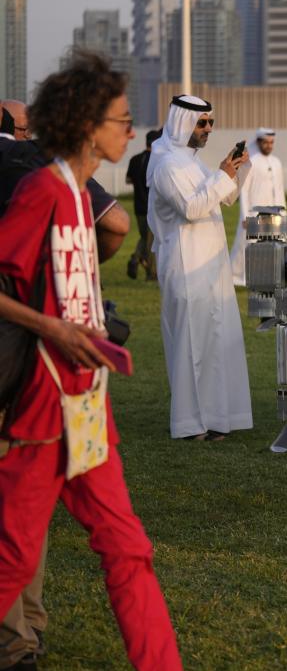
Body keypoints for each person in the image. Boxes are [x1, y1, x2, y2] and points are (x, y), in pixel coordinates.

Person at [0, 51, 203, 671]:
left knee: (128, 550)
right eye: (120, 118)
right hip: (40, 415)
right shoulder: (42, 191)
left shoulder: (78, 195)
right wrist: (52, 328)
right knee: (10, 563)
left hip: (87, 410)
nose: (129, 128)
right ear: (89, 127)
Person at [148, 94, 254, 441]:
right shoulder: (166, 164)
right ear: (183, 122)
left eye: (210, 122)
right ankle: (190, 424)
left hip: (210, 268)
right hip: (185, 265)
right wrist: (221, 175)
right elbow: (191, 208)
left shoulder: (191, 162)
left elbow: (223, 197)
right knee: (190, 345)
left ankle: (216, 418)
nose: (208, 129)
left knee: (215, 342)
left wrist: (234, 169)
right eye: (202, 123)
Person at [1, 99, 130, 261]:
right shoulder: (44, 160)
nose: (28, 134)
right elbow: (116, 222)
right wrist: (82, 264)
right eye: (23, 129)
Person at [229, 127, 285, 286]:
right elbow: (244, 191)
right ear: (259, 142)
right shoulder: (251, 161)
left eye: (271, 143)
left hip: (273, 213)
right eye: (266, 142)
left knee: (271, 246)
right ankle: (237, 276)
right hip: (254, 212)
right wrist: (246, 215)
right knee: (246, 246)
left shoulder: (276, 162)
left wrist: (283, 211)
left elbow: (279, 189)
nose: (269, 145)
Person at [124, 129, 160, 281]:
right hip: (152, 207)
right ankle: (150, 273)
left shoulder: (134, 159)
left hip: (138, 206)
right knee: (151, 241)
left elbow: (128, 180)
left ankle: (136, 258)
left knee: (144, 237)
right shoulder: (157, 160)